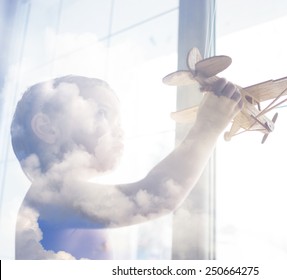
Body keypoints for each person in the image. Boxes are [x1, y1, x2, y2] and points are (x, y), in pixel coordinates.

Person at [11, 75, 243, 259]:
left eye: (119, 120)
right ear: (47, 128)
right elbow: (156, 197)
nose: (120, 129)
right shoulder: (50, 193)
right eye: (102, 113)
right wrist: (209, 124)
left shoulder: (55, 200)